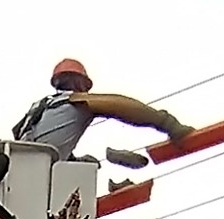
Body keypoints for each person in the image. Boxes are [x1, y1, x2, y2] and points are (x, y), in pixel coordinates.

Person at [12, 57, 196, 162]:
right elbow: (121, 105)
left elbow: (42, 140)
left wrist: (72, 162)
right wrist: (167, 123)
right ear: (82, 83)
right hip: (36, 174)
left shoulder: (38, 109)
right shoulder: (73, 100)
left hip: (20, 171)